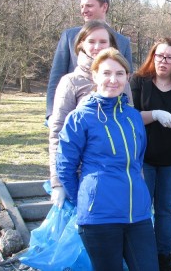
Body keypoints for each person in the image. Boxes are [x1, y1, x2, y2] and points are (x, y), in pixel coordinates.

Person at [56, 47, 158, 271]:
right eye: (106, 73)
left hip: (138, 215)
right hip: (100, 217)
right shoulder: (79, 118)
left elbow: (138, 159)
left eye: (120, 73)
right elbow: (65, 167)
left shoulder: (133, 116)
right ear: (94, 76)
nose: (113, 79)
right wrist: (86, 198)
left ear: (128, 78)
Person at [129, 37, 171, 271]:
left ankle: (163, 257)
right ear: (152, 57)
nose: (163, 62)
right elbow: (130, 117)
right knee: (142, 208)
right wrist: (155, 114)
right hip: (143, 159)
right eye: (159, 56)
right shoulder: (139, 82)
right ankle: (143, 256)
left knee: (166, 210)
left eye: (169, 57)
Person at [49, 20, 119, 209]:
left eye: (103, 42)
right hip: (81, 177)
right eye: (91, 41)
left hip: (115, 178)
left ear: (111, 44)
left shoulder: (121, 81)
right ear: (81, 44)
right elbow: (57, 133)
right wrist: (58, 182)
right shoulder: (70, 82)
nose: (97, 47)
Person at [46, 0, 133, 122]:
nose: (84, 11)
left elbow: (127, 80)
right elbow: (56, 77)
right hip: (73, 116)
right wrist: (51, 114)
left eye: (89, 6)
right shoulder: (69, 36)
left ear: (104, 7)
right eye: (81, 6)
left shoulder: (122, 42)